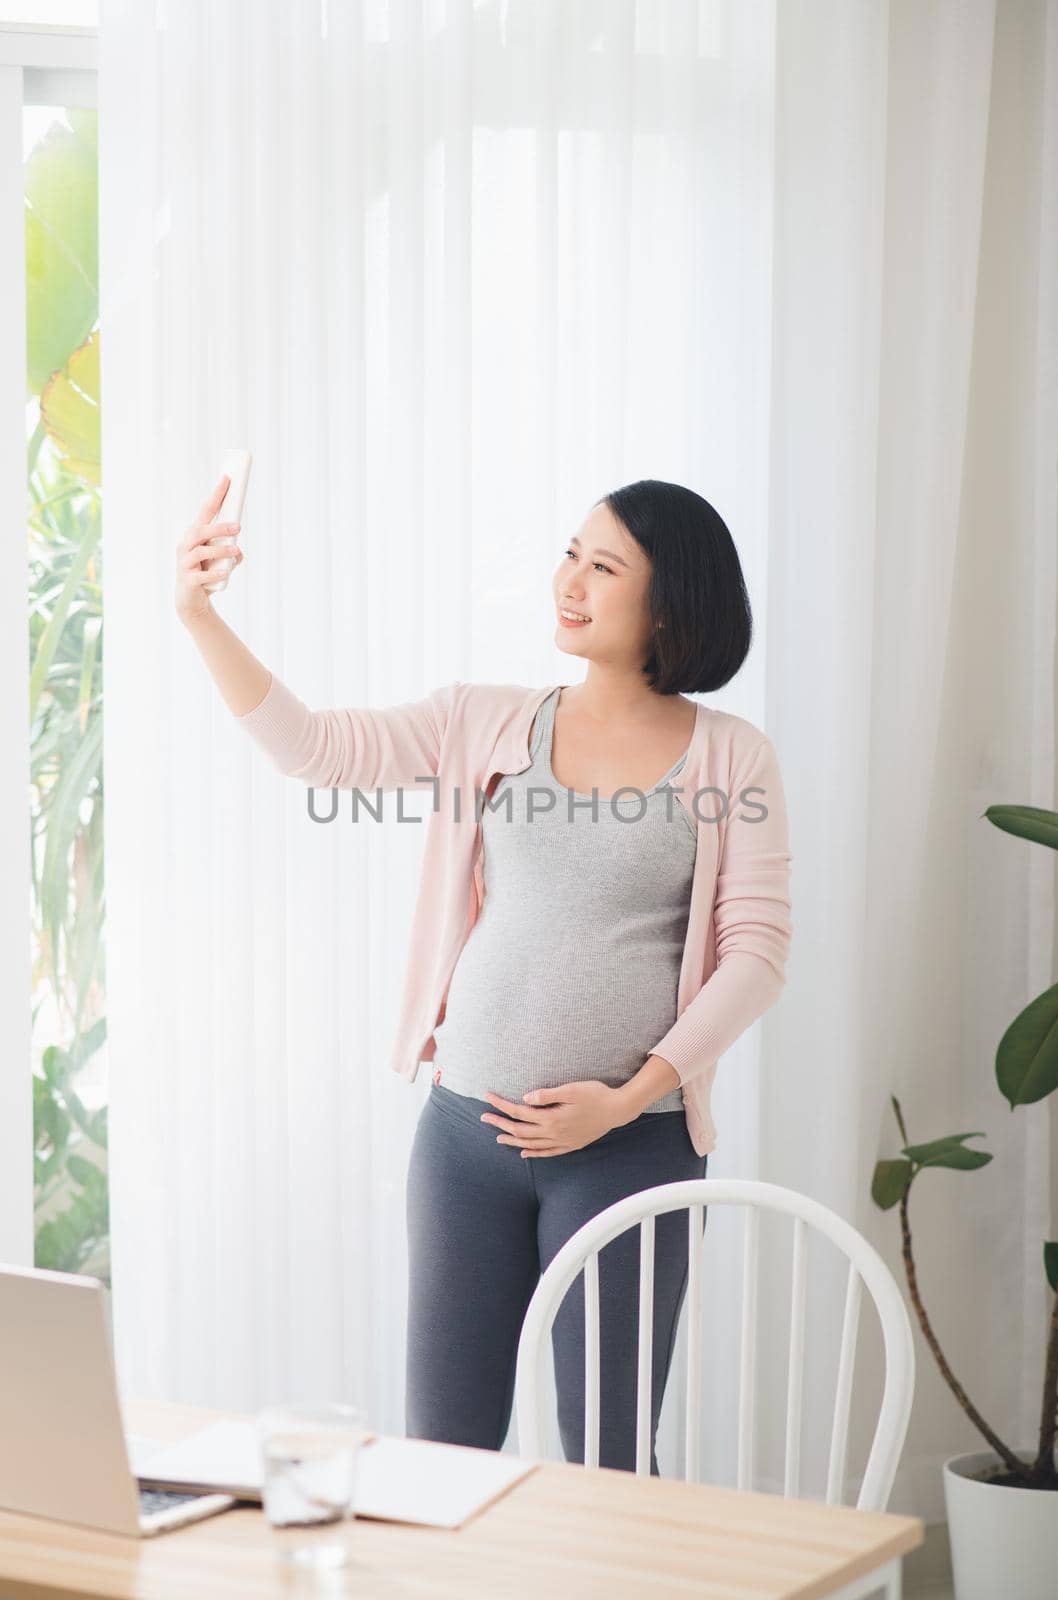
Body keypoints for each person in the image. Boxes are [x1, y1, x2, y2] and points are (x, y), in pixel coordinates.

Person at [175, 476, 793, 1475]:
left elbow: (755, 953)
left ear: (669, 603)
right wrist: (198, 615)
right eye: (569, 553)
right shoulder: (481, 719)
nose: (568, 581)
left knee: (609, 1458)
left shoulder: (732, 757)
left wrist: (629, 1097)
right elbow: (318, 751)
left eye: (603, 567)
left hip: (627, 1150)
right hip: (463, 1139)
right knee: (441, 1452)